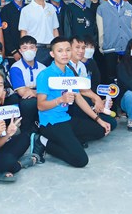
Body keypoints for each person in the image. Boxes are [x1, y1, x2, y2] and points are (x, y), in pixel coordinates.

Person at [31, 36, 111, 167]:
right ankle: (43, 141)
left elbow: (78, 97)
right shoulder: (45, 75)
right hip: (51, 122)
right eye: (60, 51)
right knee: (81, 160)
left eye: (68, 50)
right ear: (52, 54)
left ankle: (67, 140)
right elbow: (41, 106)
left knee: (101, 130)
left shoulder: (69, 72)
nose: (65, 54)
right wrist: (60, 100)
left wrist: (98, 119)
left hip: (66, 118)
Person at [67, 36, 117, 132]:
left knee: (111, 123)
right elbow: (78, 88)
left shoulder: (81, 66)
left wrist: (99, 102)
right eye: (77, 47)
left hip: (84, 103)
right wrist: (96, 99)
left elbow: (86, 89)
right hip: (71, 105)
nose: (81, 51)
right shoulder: (65, 66)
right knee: (100, 129)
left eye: (83, 48)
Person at [96, 0, 132, 84]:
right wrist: (102, 45)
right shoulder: (102, 8)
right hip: (110, 47)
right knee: (111, 77)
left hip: (126, 47)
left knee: (127, 76)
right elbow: (100, 29)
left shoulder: (128, 7)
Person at [9, 35, 46, 133]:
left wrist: (34, 92)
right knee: (29, 103)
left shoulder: (43, 68)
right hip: (23, 99)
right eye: (25, 48)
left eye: (32, 47)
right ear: (20, 51)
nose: (28, 51)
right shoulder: (16, 68)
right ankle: (26, 131)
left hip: (39, 96)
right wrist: (39, 92)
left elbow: (48, 89)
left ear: (36, 50)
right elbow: (22, 92)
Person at [19, 0, 59, 66]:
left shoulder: (51, 8)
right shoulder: (26, 10)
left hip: (51, 49)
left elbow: (55, 30)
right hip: (36, 50)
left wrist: (58, 47)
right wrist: (25, 51)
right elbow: (23, 32)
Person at [1, 0, 27, 65]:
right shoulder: (5, 10)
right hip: (12, 53)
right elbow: (5, 33)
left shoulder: (29, 8)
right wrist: (14, 51)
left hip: (28, 50)